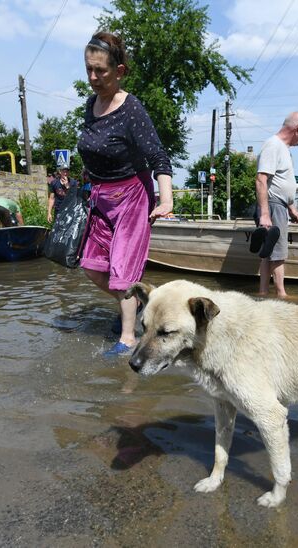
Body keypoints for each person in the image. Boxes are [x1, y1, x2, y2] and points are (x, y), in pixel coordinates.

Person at [78, 31, 174, 356]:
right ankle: (134, 301)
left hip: (132, 196)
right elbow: (93, 149)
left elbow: (159, 157)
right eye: (89, 69)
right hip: (100, 196)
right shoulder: (91, 105)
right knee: (90, 265)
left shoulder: (131, 109)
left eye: (100, 70)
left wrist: (166, 200)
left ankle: (128, 339)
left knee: (122, 272)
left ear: (119, 71)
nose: (93, 77)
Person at [254, 112, 298, 297]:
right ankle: (282, 295)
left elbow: (279, 183)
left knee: (268, 251)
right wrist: (264, 213)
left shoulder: (283, 149)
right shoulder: (273, 145)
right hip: (272, 205)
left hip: (279, 205)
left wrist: (291, 208)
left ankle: (263, 293)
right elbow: (261, 179)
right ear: (297, 129)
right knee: (278, 253)